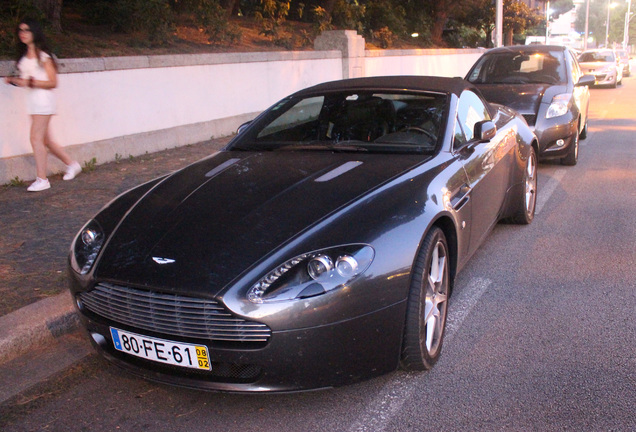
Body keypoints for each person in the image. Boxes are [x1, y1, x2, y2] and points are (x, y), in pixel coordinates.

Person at [4, 18, 81, 192]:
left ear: (35, 33)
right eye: (21, 30)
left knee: (35, 138)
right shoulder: (24, 56)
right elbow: (27, 81)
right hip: (33, 102)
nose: (23, 33)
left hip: (43, 101)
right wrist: (15, 81)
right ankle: (72, 164)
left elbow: (53, 82)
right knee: (46, 140)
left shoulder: (43, 56)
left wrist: (30, 82)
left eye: (27, 30)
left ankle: (42, 179)